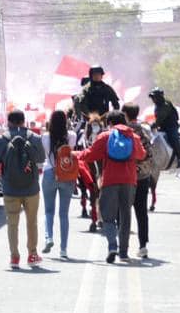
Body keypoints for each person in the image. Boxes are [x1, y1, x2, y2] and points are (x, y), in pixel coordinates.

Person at [78, 109, 146, 264]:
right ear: (125, 121)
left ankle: (112, 247)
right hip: (129, 180)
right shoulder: (133, 137)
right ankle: (123, 252)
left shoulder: (105, 136)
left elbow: (90, 155)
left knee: (108, 217)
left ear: (109, 123)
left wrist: (76, 154)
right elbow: (141, 155)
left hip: (110, 180)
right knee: (125, 216)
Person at [0, 109, 46, 268]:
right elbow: (41, 158)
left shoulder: (2, 139)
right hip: (31, 189)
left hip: (10, 189)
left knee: (12, 223)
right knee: (32, 222)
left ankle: (14, 257)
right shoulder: (34, 137)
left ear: (9, 122)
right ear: (24, 121)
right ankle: (32, 255)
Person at [40, 109, 77, 258]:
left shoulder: (45, 137)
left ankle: (48, 238)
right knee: (64, 214)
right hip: (66, 174)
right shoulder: (72, 136)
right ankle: (63, 250)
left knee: (49, 211)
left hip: (49, 172)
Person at [123, 103, 156, 258]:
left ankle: (123, 246)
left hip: (127, 176)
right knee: (141, 211)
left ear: (125, 114)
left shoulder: (124, 131)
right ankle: (143, 245)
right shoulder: (144, 130)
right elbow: (150, 154)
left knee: (124, 211)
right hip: (143, 176)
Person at [148, 88, 180, 176]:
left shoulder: (165, 104)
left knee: (173, 138)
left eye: (154, 97)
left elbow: (160, 118)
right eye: (152, 98)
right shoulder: (157, 105)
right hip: (162, 127)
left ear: (159, 97)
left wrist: (153, 125)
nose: (153, 100)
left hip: (171, 127)